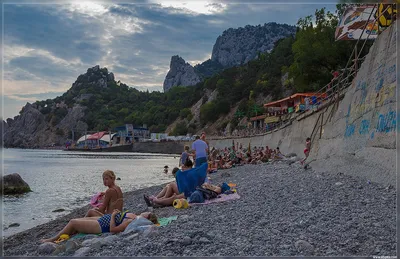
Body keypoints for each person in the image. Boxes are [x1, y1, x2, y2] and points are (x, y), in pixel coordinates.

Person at [41, 210, 158, 243]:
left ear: (146, 218)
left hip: (102, 226)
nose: (145, 212)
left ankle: (52, 239)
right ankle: (75, 229)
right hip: (103, 219)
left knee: (72, 221)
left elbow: (113, 230)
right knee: (91, 211)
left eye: (147, 213)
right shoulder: (134, 216)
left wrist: (112, 216)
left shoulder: (132, 221)